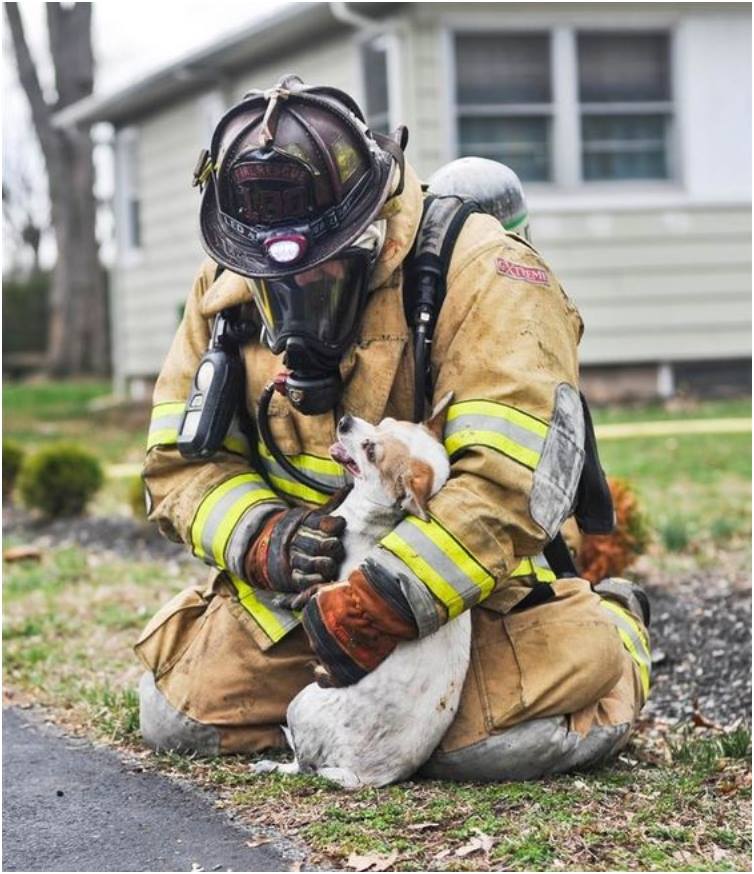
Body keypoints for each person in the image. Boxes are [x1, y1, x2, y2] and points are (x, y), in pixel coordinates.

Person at [135, 75, 651, 780]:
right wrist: (263, 537)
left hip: (464, 591)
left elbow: (512, 483)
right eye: (272, 279)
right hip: (305, 598)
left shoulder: (483, 270)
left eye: (317, 274)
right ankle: (334, 695)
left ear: (370, 232)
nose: (292, 298)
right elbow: (179, 465)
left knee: (484, 750)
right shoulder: (227, 283)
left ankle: (618, 628)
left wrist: (383, 600)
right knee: (182, 720)